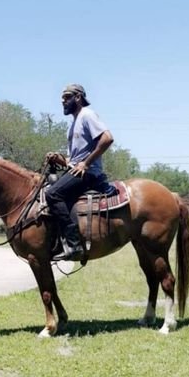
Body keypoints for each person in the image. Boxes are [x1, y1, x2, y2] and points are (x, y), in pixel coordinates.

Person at [45, 84, 114, 261]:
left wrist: (85, 164)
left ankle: (74, 245)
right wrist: (60, 159)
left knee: (52, 194)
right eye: (62, 98)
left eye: (67, 97)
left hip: (89, 173)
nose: (63, 101)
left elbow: (107, 138)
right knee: (48, 187)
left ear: (78, 97)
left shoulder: (87, 115)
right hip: (78, 170)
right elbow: (72, 161)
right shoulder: (73, 123)